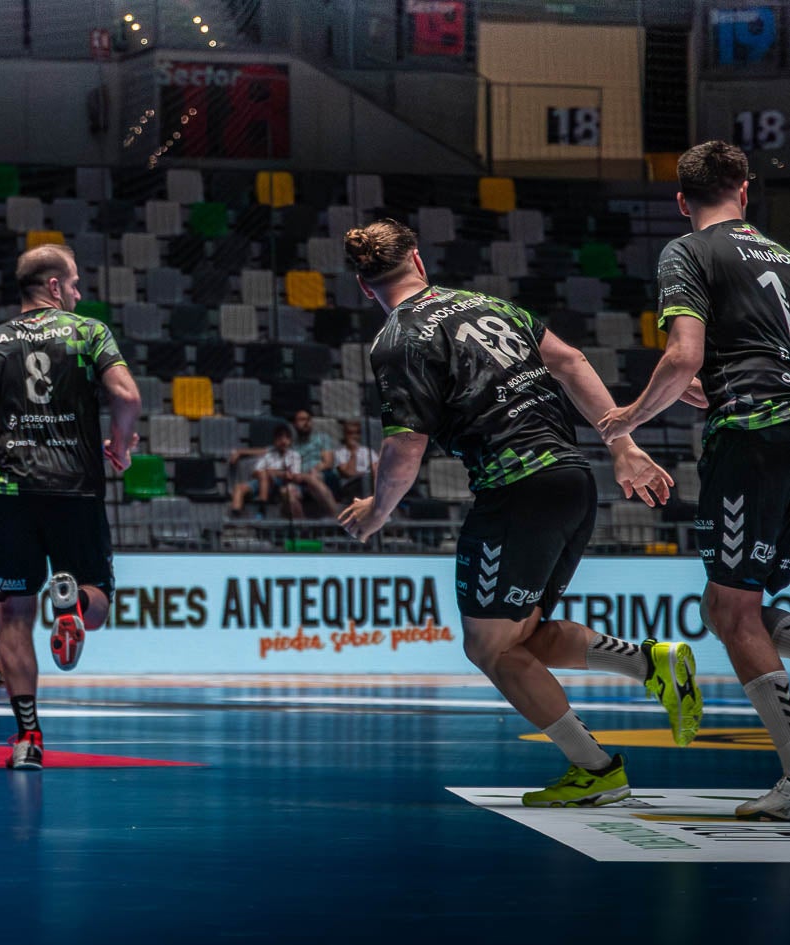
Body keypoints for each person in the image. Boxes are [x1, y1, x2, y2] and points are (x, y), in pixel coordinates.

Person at [336, 219, 702, 808]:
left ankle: (597, 769)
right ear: (419, 261)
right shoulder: (485, 304)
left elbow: (406, 444)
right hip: (572, 481)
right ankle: (648, 663)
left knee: (490, 649)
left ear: (363, 285)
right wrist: (622, 443)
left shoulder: (397, 339)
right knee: (521, 636)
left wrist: (378, 511)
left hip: (516, 490)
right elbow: (571, 360)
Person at [597, 140, 790, 820]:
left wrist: (626, 419)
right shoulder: (784, 258)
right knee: (757, 610)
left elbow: (682, 357)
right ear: (744, 189)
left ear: (681, 201)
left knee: (729, 611)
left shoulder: (688, 250)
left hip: (754, 437)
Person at [0, 244, 141, 770]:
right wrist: (121, 446)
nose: (79, 294)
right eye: (75, 284)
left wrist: (1, 453)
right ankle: (73, 602)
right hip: (75, 489)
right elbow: (126, 395)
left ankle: (28, 737)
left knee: (13, 614)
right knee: (96, 603)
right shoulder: (88, 332)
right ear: (54, 286)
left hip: (11, 495)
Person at [229, 423, 305, 519]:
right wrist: (267, 473)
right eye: (279, 438)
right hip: (263, 482)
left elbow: (293, 476)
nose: (283, 441)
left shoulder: (294, 455)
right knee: (239, 488)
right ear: (274, 440)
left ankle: (262, 509)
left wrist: (273, 473)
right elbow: (256, 472)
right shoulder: (268, 454)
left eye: (286, 438)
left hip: (282, 483)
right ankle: (235, 521)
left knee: (271, 479)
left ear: (290, 441)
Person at [325, 419, 379, 504]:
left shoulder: (368, 451)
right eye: (350, 433)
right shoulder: (340, 452)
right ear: (345, 435)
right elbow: (348, 473)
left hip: (369, 482)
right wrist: (354, 453)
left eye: (357, 433)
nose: (354, 436)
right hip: (349, 486)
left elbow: (377, 470)